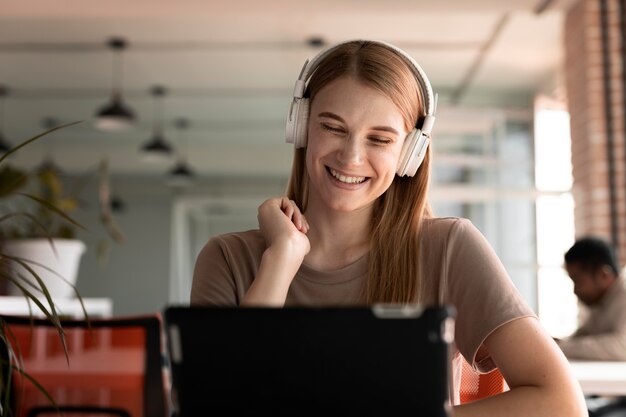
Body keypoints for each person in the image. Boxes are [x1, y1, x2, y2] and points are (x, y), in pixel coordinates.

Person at [191, 39, 586, 416]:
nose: (351, 156)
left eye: (380, 139)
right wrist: (281, 258)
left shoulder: (448, 247)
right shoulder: (228, 259)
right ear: (301, 127)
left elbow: (562, 406)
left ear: (409, 154)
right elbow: (219, 404)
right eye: (333, 127)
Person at [556, 236, 626, 360]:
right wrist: (555, 344)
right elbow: (587, 334)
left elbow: (621, 347)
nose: (575, 290)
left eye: (578, 281)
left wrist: (560, 347)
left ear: (603, 274)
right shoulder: (603, 300)